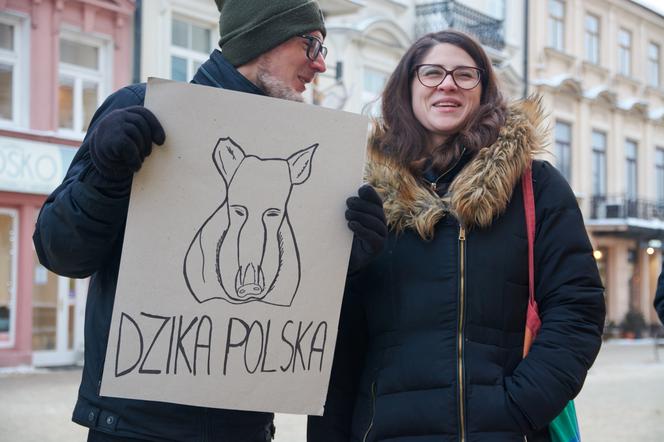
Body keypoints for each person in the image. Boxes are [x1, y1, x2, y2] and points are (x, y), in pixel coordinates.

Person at [32, 1, 326, 441]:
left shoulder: (306, 150)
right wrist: (103, 175)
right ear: (263, 37)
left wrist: (348, 251)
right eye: (312, 44)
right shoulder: (142, 109)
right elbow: (61, 252)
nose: (320, 63)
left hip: (243, 429)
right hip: (133, 428)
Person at [308, 30, 606, 442]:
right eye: (431, 72)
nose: (447, 83)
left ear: (483, 92)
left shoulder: (536, 187)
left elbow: (577, 309)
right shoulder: (359, 194)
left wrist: (518, 410)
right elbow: (332, 338)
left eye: (465, 75)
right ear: (406, 87)